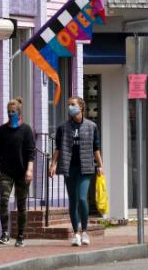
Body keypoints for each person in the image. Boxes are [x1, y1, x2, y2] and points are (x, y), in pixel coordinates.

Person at [49, 96, 104, 247]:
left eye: (72, 104)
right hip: (69, 167)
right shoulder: (63, 127)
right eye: (68, 105)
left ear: (81, 107)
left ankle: (85, 231)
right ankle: (76, 234)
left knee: (81, 198)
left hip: (85, 167)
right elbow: (58, 149)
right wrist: (53, 164)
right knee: (73, 201)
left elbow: (96, 148)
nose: (70, 107)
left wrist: (100, 165)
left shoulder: (91, 126)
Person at [0, 97, 35, 247]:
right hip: (6, 171)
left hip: (22, 172)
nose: (11, 114)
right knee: (4, 200)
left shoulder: (27, 130)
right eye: (9, 112)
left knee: (22, 204)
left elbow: (31, 153)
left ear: (19, 112)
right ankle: (4, 233)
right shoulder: (2, 130)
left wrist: (29, 170)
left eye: (13, 111)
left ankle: (20, 236)